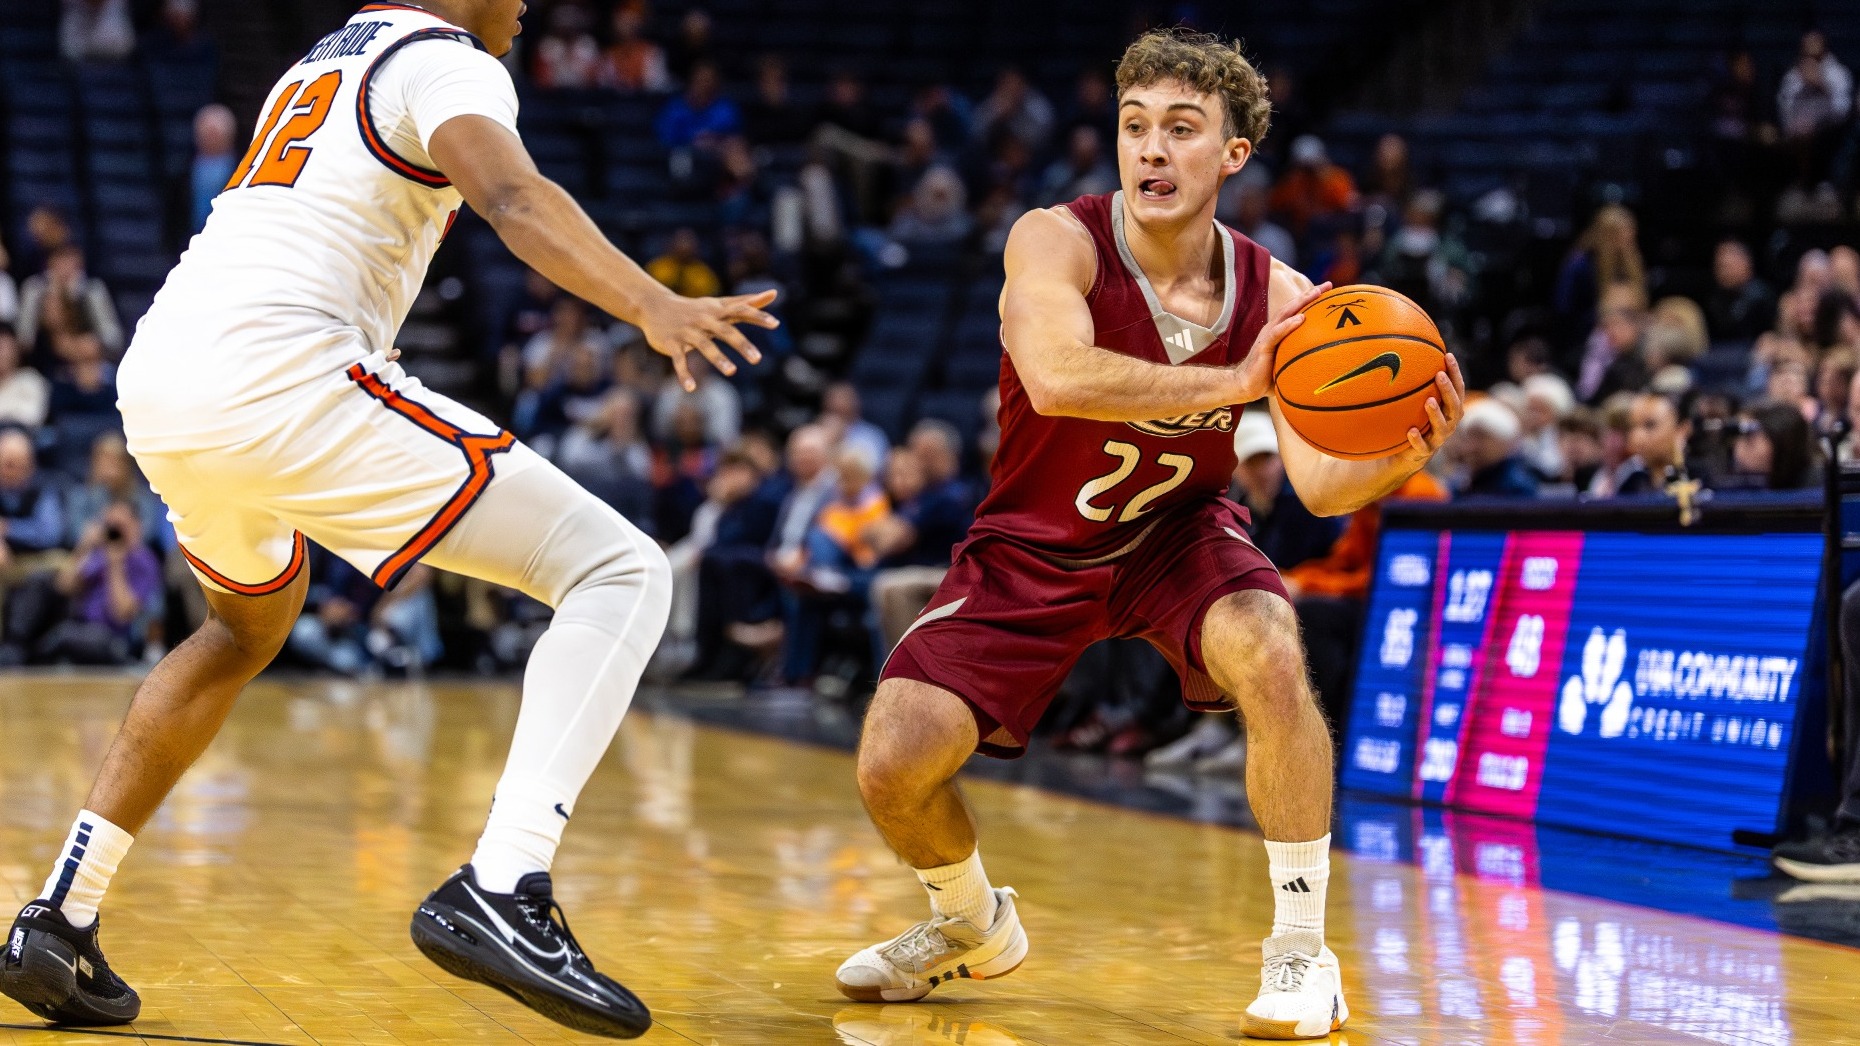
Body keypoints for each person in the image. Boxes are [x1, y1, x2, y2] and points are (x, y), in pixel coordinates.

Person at [0, 1, 776, 1036]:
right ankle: (504, 884)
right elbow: (510, 192)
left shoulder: (321, 59)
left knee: (242, 627)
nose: (528, 6)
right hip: (284, 373)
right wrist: (651, 303)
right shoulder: (445, 59)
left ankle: (62, 914)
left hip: (166, 379)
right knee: (622, 571)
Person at [832, 30, 1465, 1040]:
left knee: (1268, 644)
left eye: (1181, 130)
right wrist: (1231, 384)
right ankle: (970, 923)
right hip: (1034, 542)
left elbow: (1317, 484)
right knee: (892, 765)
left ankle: (1303, 947)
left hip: (1179, 533)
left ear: (1233, 155)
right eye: (1135, 128)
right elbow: (1058, 378)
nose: (1153, 151)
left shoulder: (1288, 298)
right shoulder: (1057, 239)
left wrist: (1401, 452)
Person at [16, 246, 124, 361]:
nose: (65, 269)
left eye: (70, 263)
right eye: (60, 263)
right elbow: (23, 339)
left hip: (89, 356)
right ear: (50, 264)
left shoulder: (92, 290)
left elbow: (113, 338)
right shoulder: (35, 289)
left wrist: (95, 344)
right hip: (42, 359)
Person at [1450, 398, 1538, 497]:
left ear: (1504, 441)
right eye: (1467, 437)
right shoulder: (1458, 484)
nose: (1470, 446)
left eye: (1480, 437)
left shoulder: (1517, 488)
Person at [1615, 390, 1692, 496]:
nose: (1637, 437)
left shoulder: (1701, 480)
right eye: (1632, 427)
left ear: (1682, 430)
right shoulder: (1631, 482)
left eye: (1649, 425)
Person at [1708, 240, 1777, 344]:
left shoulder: (1761, 298)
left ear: (1746, 264)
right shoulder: (1716, 299)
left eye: (1727, 266)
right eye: (1719, 266)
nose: (1723, 273)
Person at [189, 105, 239, 234]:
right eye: (207, 134)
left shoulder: (243, 171)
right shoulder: (184, 173)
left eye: (215, 134)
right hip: (191, 240)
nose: (210, 139)